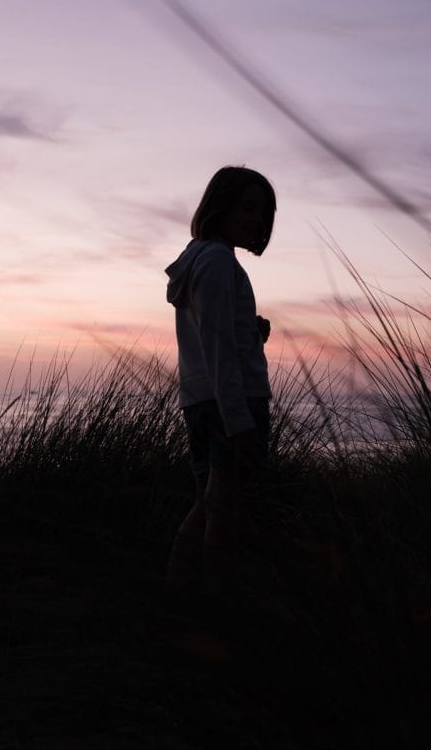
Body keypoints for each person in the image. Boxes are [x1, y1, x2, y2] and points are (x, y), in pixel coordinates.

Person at [165, 165, 276, 592]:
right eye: (247, 208)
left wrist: (251, 332)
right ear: (220, 205)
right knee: (224, 512)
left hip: (202, 400)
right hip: (228, 403)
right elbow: (217, 349)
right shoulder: (215, 263)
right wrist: (238, 419)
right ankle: (215, 602)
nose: (256, 220)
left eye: (263, 214)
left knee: (208, 506)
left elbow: (215, 336)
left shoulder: (202, 259)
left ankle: (183, 594)